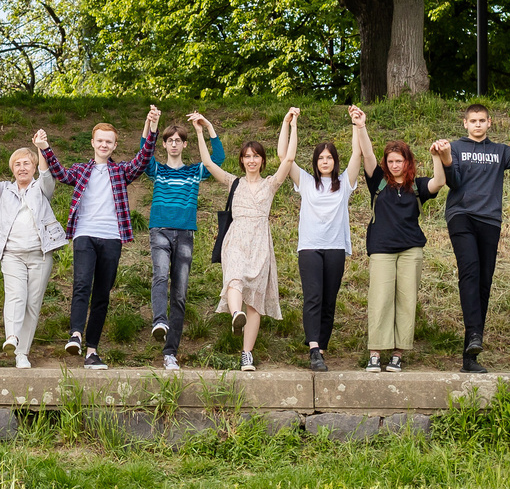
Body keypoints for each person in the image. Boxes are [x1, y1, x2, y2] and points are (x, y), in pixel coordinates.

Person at [39, 104, 163, 367]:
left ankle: (91, 350)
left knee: (102, 293)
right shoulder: (82, 170)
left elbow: (144, 157)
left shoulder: (121, 172)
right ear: (93, 143)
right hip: (85, 234)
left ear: (114, 146)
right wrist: (45, 148)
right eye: (100, 141)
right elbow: (60, 174)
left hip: (112, 238)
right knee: (82, 284)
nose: (104, 145)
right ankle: (75, 334)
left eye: (109, 142)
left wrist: (152, 127)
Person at [430, 97, 510, 373]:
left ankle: (471, 354)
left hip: (490, 220)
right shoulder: (454, 147)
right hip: (462, 216)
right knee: (470, 272)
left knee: (484, 282)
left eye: (482, 121)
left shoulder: (499, 151)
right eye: (472, 121)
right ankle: (474, 334)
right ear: (465, 124)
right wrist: (445, 159)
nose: (477, 125)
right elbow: (452, 183)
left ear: (489, 123)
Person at [202, 109, 293, 373]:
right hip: (237, 238)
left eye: (256, 156)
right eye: (247, 156)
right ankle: (235, 315)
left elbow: (288, 158)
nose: (251, 160)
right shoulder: (233, 182)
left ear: (262, 160)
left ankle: (247, 355)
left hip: (260, 242)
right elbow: (208, 163)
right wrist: (203, 128)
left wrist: (290, 123)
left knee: (255, 301)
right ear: (241, 161)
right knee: (234, 278)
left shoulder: (271, 184)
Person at [0, 133, 68, 369]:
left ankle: (22, 353)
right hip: (12, 254)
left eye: (26, 163)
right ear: (12, 169)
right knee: (16, 296)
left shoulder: (42, 188)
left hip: (40, 255)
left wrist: (42, 148)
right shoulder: (4, 190)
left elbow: (46, 174)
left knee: (32, 303)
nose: (22, 168)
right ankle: (11, 337)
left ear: (33, 166)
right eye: (17, 164)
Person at [351, 106, 437, 372]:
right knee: (380, 299)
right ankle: (375, 353)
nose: (394, 165)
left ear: (407, 162)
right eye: (390, 161)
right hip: (382, 249)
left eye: (399, 161)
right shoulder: (377, 182)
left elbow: (439, 182)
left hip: (411, 250)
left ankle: (398, 354)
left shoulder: (418, 186)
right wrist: (361, 126)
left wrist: (437, 157)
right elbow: (367, 154)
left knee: (406, 300)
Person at [144, 112, 225, 372]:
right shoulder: (157, 169)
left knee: (179, 293)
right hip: (160, 230)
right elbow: (143, 157)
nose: (175, 144)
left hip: (185, 234)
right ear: (165, 145)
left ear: (185, 145)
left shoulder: (194, 172)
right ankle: (160, 322)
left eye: (179, 140)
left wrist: (209, 127)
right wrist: (150, 126)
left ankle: (170, 353)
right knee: (159, 275)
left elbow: (218, 160)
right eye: (171, 140)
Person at [286, 121, 354, 372]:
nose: (325, 161)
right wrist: (290, 124)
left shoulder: (345, 182)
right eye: (320, 158)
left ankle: (321, 348)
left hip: (335, 247)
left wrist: (358, 126)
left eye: (329, 157)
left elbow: (358, 154)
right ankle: (314, 348)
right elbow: (285, 156)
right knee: (313, 297)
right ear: (315, 162)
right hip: (310, 247)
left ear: (335, 161)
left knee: (329, 300)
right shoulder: (305, 181)